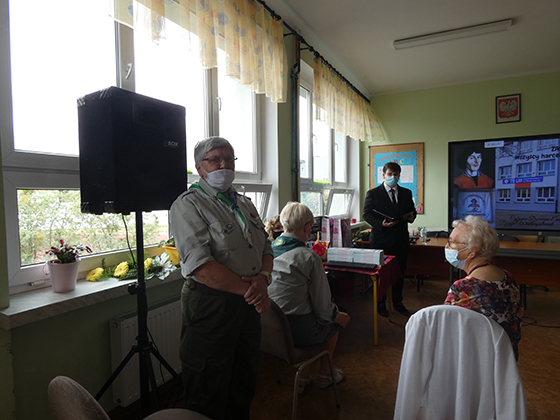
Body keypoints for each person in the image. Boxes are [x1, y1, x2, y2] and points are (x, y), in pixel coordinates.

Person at [169, 137, 273, 420]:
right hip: (211, 306)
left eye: (229, 159)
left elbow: (265, 247)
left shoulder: (245, 204)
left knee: (243, 380)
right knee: (208, 388)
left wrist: (263, 278)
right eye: (215, 159)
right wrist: (254, 291)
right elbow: (202, 267)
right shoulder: (188, 205)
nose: (223, 164)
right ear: (199, 167)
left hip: (247, 303)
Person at [268, 202, 351, 394]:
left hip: (270, 331)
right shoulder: (308, 257)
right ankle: (325, 374)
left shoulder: (267, 252)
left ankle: (303, 377)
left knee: (310, 315)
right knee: (333, 323)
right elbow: (323, 308)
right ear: (307, 227)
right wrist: (338, 316)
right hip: (296, 331)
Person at [443, 215, 523, 360]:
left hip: (478, 361)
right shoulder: (507, 277)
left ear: (472, 252)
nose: (447, 247)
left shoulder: (463, 288)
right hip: (506, 357)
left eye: (452, 242)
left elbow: (446, 331)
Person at [363, 161, 417, 317]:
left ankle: (397, 302)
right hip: (381, 240)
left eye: (396, 174)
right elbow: (366, 214)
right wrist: (381, 223)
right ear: (383, 175)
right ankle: (380, 302)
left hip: (400, 240)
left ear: (399, 175)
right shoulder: (373, 193)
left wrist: (412, 216)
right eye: (390, 174)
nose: (393, 177)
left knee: (400, 272)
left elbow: (411, 212)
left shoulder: (406, 193)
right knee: (381, 274)